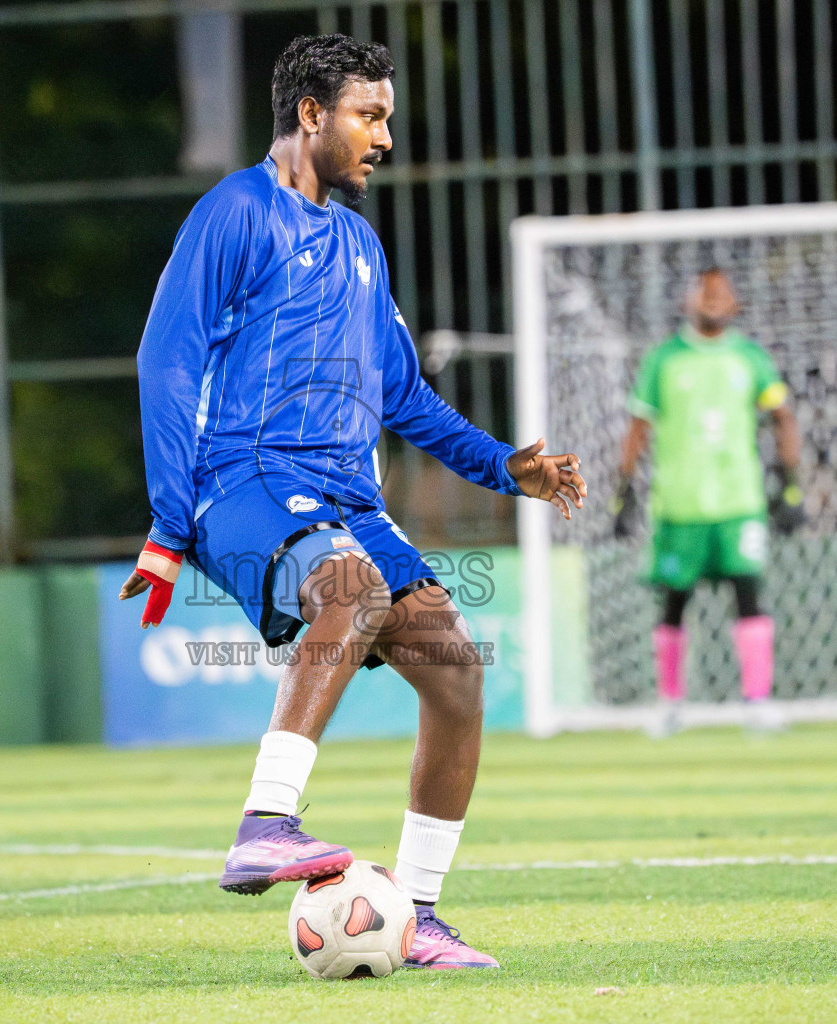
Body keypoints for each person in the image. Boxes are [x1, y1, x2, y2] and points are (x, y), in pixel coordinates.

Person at [119, 34, 585, 969]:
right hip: (242, 477)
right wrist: (172, 523)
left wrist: (504, 465)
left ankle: (412, 917)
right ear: (309, 114)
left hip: (345, 492)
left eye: (386, 119)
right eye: (368, 117)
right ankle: (266, 820)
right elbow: (165, 361)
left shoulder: (357, 241)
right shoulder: (234, 215)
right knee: (353, 590)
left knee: (455, 671)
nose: (381, 138)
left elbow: (402, 394)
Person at [610, 268, 806, 736]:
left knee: (749, 594)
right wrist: (623, 493)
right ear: (688, 301)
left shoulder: (751, 357)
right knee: (674, 601)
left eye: (723, 292)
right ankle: (670, 705)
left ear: (736, 304)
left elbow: (783, 416)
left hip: (740, 500)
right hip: (680, 504)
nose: (715, 299)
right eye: (706, 291)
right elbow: (639, 429)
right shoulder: (664, 360)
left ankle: (757, 703)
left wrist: (791, 484)